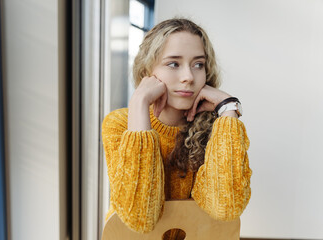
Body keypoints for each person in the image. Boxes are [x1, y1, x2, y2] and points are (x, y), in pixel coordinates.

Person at [102, 18, 252, 239]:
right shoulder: (120, 124)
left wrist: (228, 108)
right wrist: (139, 103)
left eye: (198, 64)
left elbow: (226, 208)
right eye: (173, 63)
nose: (188, 77)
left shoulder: (218, 130)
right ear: (147, 70)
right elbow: (140, 218)